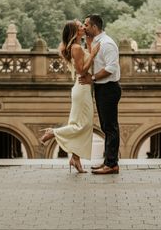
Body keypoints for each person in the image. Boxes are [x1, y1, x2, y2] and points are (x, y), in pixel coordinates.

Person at [39, 20, 100, 173]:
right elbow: (81, 71)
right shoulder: (76, 48)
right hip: (82, 88)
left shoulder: (79, 46)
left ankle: (75, 159)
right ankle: (53, 132)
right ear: (75, 32)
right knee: (83, 125)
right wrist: (92, 55)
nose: (83, 27)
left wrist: (90, 45)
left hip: (83, 89)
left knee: (79, 123)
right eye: (80, 26)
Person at [79, 14, 121, 175]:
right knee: (106, 126)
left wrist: (93, 78)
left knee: (110, 127)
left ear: (94, 27)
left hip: (109, 88)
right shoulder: (97, 42)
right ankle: (108, 161)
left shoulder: (107, 44)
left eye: (86, 25)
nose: (84, 27)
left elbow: (111, 68)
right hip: (102, 88)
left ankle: (112, 164)